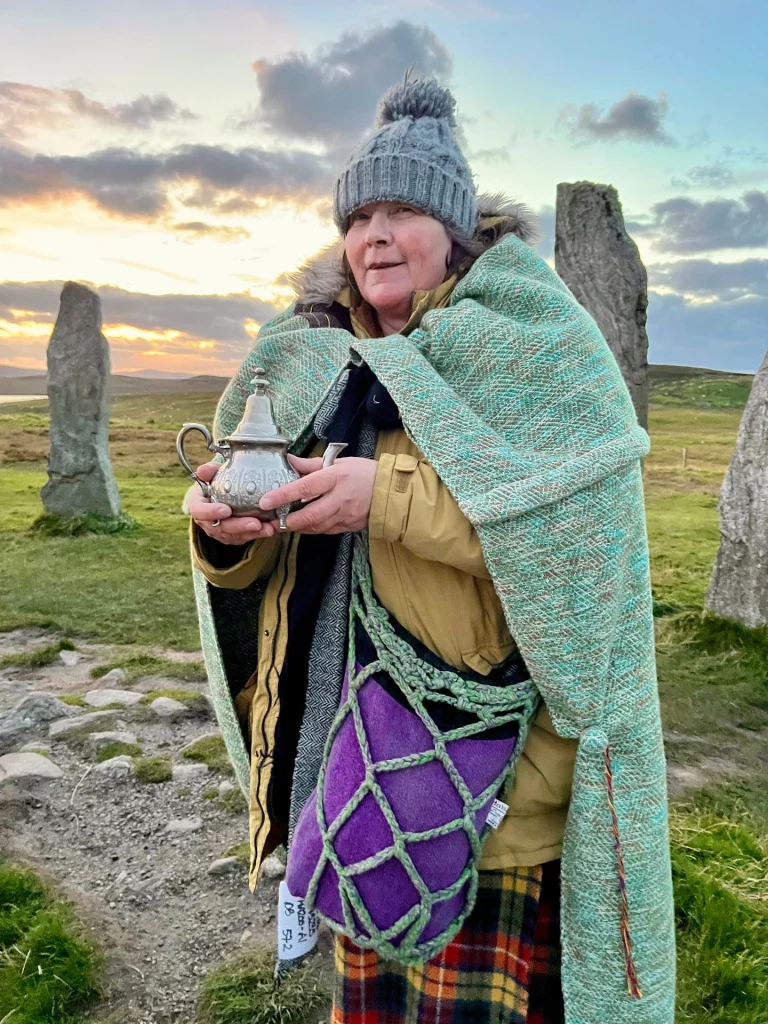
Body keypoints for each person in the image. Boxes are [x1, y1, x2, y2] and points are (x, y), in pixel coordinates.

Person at [186, 77, 675, 1024]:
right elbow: (281, 580)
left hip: (493, 787)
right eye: (358, 213)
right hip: (357, 770)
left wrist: (387, 498)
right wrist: (232, 543)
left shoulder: (531, 343)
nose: (374, 233)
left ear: (452, 226)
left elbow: (573, 548)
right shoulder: (310, 358)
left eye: (402, 209)